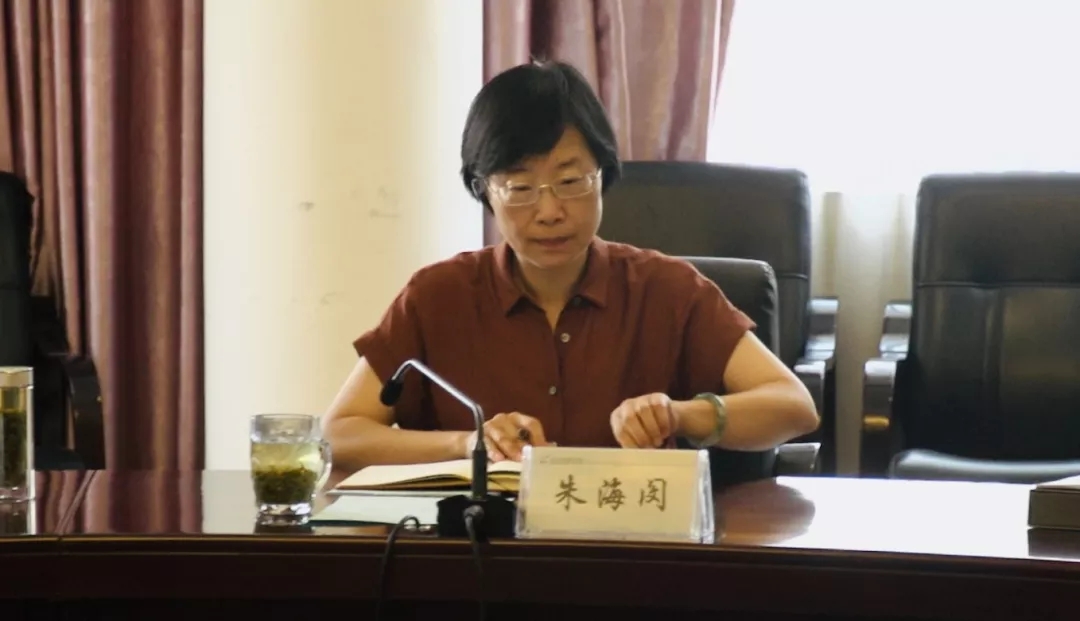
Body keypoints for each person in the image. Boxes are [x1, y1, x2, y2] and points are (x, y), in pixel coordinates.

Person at [323, 60, 818, 472]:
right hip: (483, 550)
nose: (550, 211)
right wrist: (467, 443)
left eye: (570, 181)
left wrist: (680, 416)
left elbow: (793, 406)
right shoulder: (439, 296)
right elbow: (339, 433)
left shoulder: (667, 290)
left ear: (604, 176)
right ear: (484, 192)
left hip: (629, 548)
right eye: (520, 188)